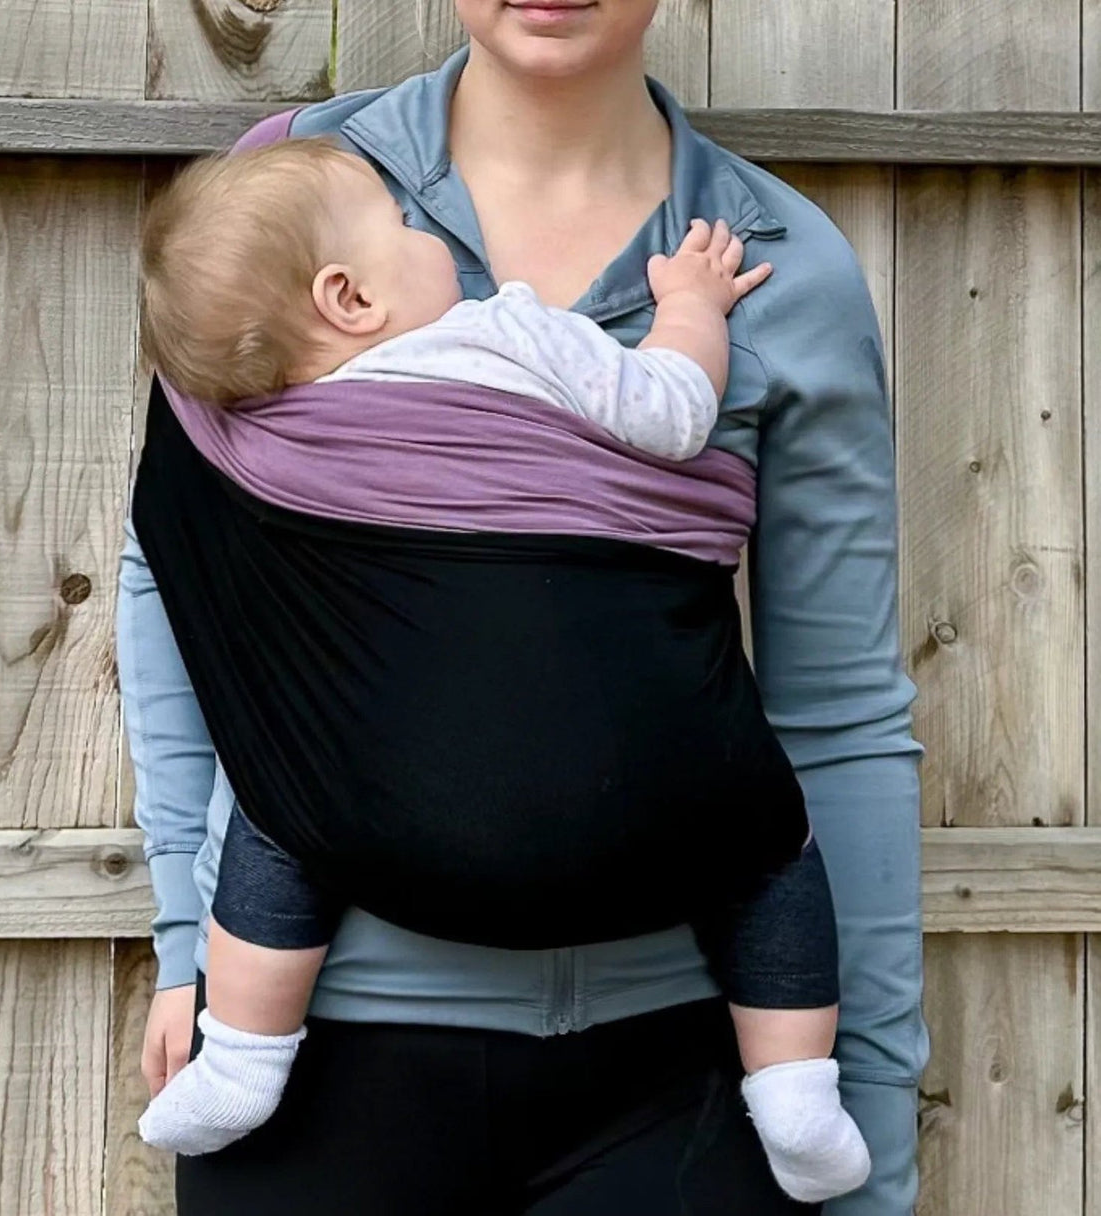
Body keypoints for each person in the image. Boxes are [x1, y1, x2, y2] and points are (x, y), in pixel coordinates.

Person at [118, 4, 925, 1213]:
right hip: (319, 1048)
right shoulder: (292, 201)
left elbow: (840, 723)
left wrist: (863, 1121)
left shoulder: (772, 262)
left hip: (685, 1080)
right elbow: (181, 576)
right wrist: (192, 938)